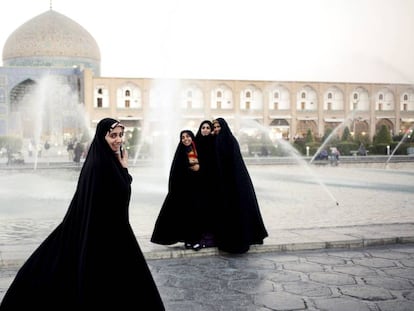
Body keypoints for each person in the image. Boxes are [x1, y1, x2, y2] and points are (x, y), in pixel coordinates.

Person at [0, 118, 165, 310]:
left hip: (113, 231)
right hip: (102, 234)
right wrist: (124, 171)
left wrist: (124, 168)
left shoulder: (107, 160)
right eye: (113, 135)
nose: (118, 140)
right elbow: (115, 195)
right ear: (102, 137)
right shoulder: (98, 165)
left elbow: (118, 194)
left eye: (120, 135)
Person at [212, 117, 268, 254]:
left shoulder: (230, 140)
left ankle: (238, 241)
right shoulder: (218, 140)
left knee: (236, 210)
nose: (217, 129)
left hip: (233, 181)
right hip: (225, 181)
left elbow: (234, 161)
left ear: (224, 127)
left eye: (219, 127)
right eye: (215, 127)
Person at [151, 130, 204, 251]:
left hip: (196, 190)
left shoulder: (196, 149)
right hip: (183, 191)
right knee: (185, 216)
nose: (185, 139)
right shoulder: (181, 151)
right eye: (183, 137)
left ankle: (194, 240)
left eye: (188, 136)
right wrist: (191, 167)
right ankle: (189, 240)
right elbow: (177, 171)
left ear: (192, 137)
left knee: (195, 216)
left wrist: (199, 168)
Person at [193, 120, 219, 248]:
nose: (205, 130)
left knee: (211, 209)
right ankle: (199, 236)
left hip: (211, 182)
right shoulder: (195, 143)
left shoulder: (214, 142)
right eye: (203, 127)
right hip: (199, 182)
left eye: (208, 128)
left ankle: (210, 238)